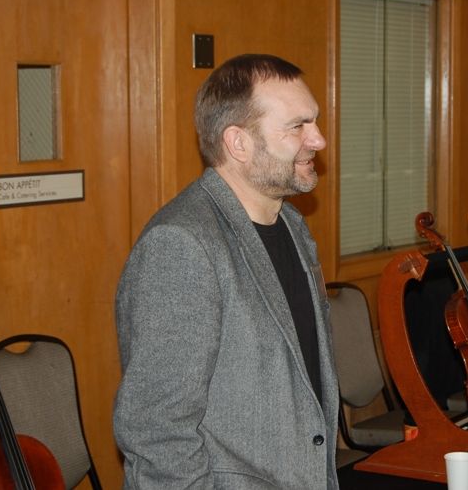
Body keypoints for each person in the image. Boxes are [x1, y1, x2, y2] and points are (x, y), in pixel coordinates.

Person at [113, 54, 339, 489]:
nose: (319, 139)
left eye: (315, 122)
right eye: (298, 126)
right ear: (238, 143)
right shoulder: (181, 245)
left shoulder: (292, 225)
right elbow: (158, 432)